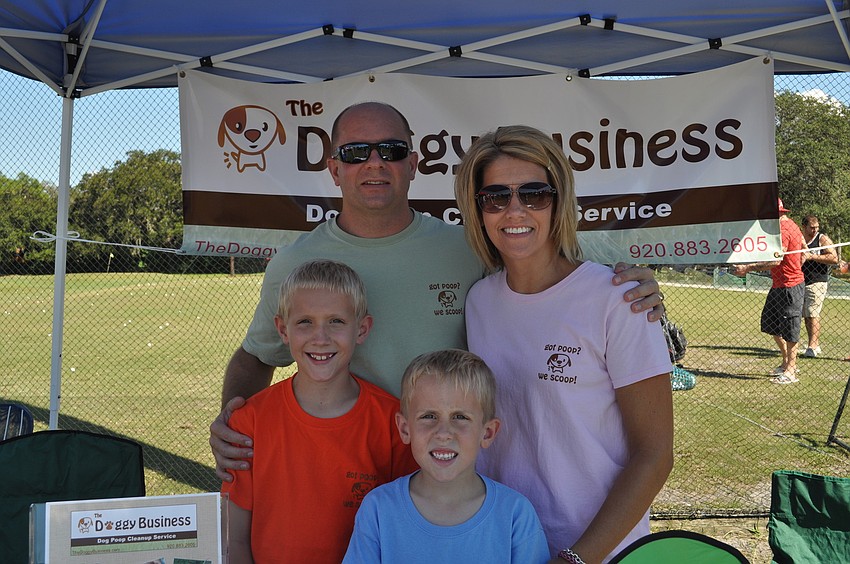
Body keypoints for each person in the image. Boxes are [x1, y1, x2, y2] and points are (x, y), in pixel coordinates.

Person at [211, 102, 665, 482]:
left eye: (391, 150)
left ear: (412, 164)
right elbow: (256, 356)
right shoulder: (294, 264)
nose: (374, 163)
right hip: (341, 470)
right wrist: (233, 419)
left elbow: (546, 266)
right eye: (355, 152)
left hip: (449, 476)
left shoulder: (468, 250)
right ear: (333, 168)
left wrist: (629, 284)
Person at [454, 125, 673, 564]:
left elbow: (654, 456)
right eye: (495, 197)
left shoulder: (618, 299)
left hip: (598, 551)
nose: (515, 210)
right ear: (477, 210)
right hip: (505, 543)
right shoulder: (478, 302)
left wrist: (577, 558)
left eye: (534, 194)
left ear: (559, 202)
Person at [222, 259, 418, 564]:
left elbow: (405, 532)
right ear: (282, 330)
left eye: (336, 321)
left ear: (362, 329)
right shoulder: (250, 421)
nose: (321, 338)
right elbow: (233, 537)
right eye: (305, 322)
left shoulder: (393, 423)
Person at [343, 349, 550, 563]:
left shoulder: (515, 515)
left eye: (460, 417)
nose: (443, 433)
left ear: (487, 433)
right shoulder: (379, 509)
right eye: (429, 416)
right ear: (404, 429)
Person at [732, 199, 805, 383]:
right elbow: (803, 249)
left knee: (790, 329)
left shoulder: (784, 230)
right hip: (778, 284)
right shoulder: (788, 226)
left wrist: (748, 268)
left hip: (790, 286)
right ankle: (786, 362)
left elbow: (775, 260)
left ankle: (791, 371)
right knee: (771, 324)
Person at [800, 214, 839, 357]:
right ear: (804, 226)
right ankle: (814, 344)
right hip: (802, 281)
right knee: (806, 314)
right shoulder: (800, 238)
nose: (815, 230)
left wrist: (812, 256)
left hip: (818, 281)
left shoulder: (822, 239)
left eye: (817, 227)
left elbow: (834, 258)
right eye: (812, 227)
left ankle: (812, 346)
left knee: (813, 313)